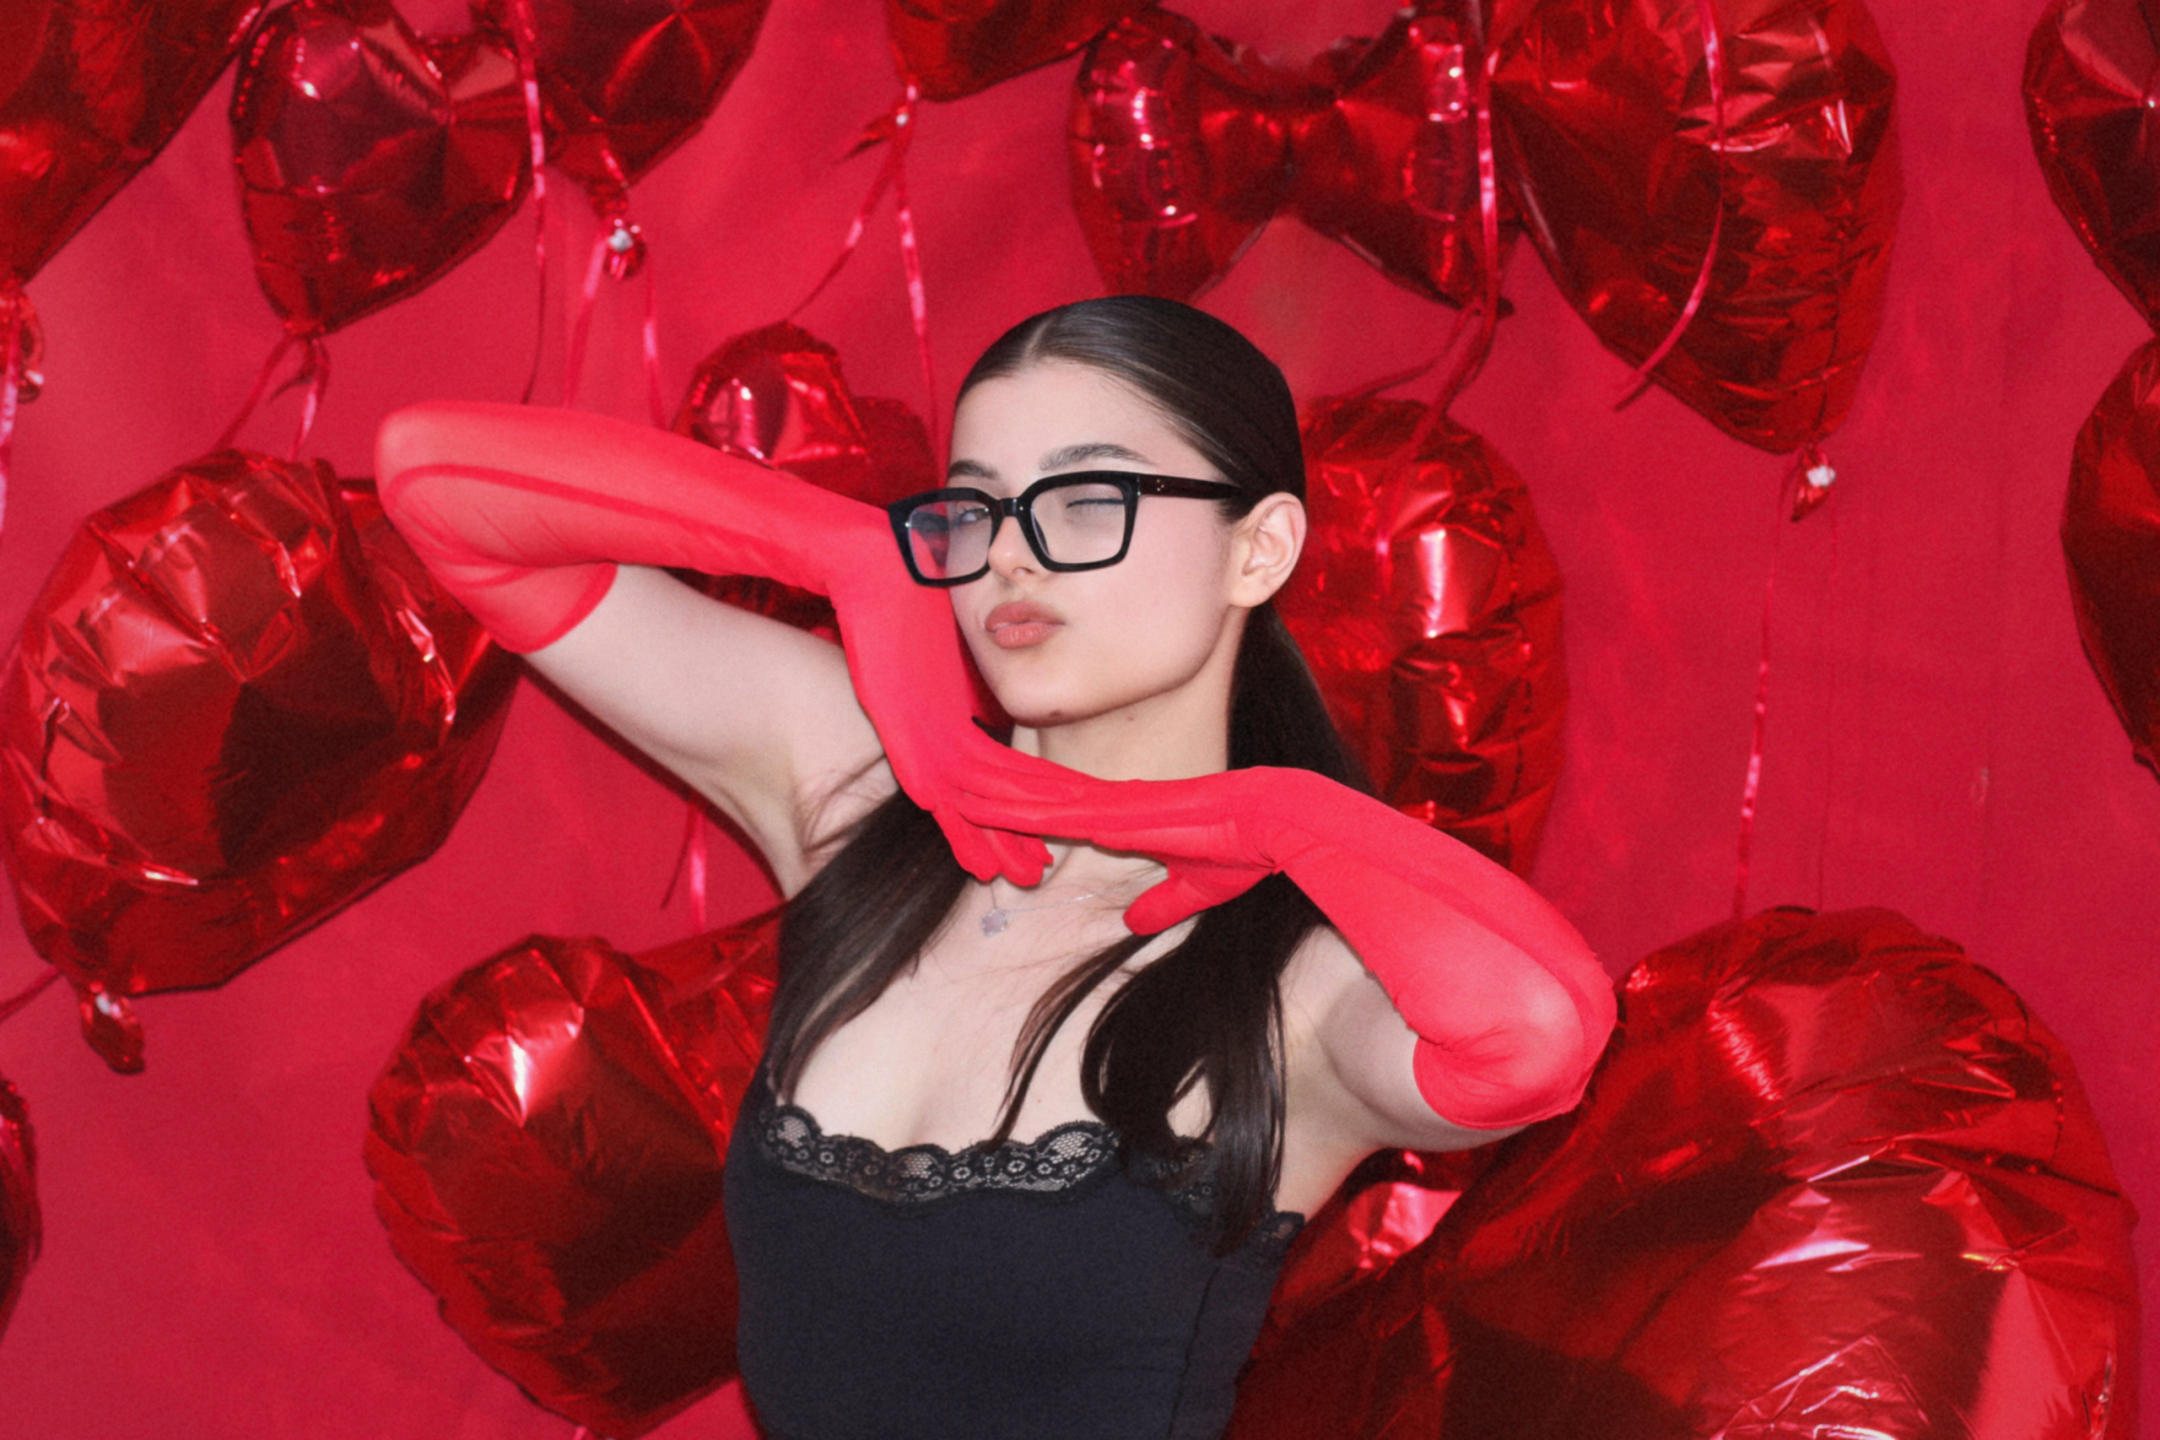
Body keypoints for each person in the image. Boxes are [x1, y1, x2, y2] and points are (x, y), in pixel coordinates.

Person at [374, 295, 1616, 1439]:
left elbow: (1543, 1039)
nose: (1011, 558)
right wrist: (839, 548)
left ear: (1259, 549)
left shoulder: (1298, 973)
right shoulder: (865, 791)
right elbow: (432, 480)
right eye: (976, 510)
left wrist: (1279, 818)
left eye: (1086, 500)